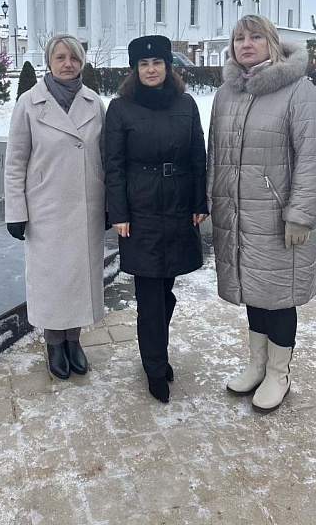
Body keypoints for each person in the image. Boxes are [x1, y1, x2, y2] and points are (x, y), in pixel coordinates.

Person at [207, 14, 316, 412]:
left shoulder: (298, 91)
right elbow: (215, 156)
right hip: (237, 216)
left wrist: (301, 214)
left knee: (279, 296)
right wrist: (213, 202)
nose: (246, 44)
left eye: (255, 37)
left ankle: (279, 372)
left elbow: (312, 157)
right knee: (254, 292)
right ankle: (257, 364)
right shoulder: (226, 94)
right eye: (239, 37)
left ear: (272, 42)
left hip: (277, 218)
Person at [105, 35, 208, 404]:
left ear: (168, 66)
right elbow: (113, 164)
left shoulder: (186, 104)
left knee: (166, 290)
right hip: (141, 207)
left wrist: (200, 201)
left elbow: (198, 155)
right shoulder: (120, 108)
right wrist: (118, 212)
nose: (151, 70)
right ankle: (154, 367)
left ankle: (156, 350)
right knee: (149, 294)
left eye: (157, 63)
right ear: (135, 70)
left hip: (179, 203)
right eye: (144, 64)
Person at [5, 34, 106, 380]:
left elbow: (107, 157)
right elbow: (15, 162)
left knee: (79, 278)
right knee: (52, 280)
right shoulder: (29, 103)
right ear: (49, 61)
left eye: (74, 57)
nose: (68, 64)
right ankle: (53, 343)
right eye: (60, 57)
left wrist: (110, 205)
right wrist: (15, 211)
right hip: (45, 208)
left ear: (81, 62)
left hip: (86, 206)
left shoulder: (94, 102)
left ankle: (73, 340)